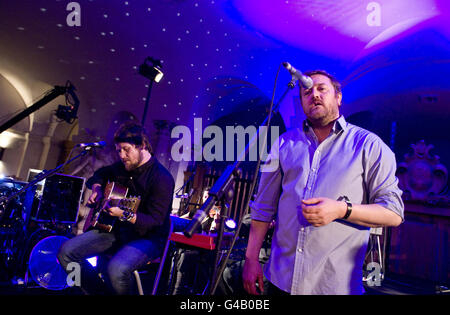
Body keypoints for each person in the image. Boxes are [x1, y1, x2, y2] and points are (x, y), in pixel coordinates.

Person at [242, 70, 404, 295]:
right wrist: (251, 259)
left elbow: (394, 212)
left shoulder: (369, 145)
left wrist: (341, 210)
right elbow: (263, 208)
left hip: (334, 286)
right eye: (307, 92)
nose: (314, 95)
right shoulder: (283, 144)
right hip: (280, 280)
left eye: (321, 89)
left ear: (338, 96)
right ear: (301, 102)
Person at [57, 121, 175, 295]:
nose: (122, 155)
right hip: (115, 231)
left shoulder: (162, 178)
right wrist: (97, 188)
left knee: (117, 269)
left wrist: (124, 214)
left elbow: (155, 221)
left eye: (126, 149)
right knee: (66, 253)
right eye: (119, 150)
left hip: (147, 239)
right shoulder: (121, 167)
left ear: (142, 145)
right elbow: (99, 175)